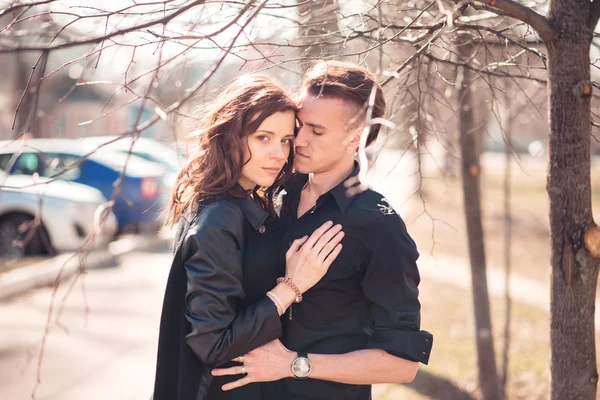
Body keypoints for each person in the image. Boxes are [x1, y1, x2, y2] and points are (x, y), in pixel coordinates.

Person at [212, 61, 433, 399]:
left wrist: (294, 364)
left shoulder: (379, 225)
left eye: (316, 131)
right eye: (299, 126)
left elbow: (401, 363)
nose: (298, 140)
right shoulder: (274, 191)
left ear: (355, 137)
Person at [151, 74, 345, 400]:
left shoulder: (245, 200)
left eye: (285, 140)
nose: (278, 154)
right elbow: (213, 342)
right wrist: (290, 288)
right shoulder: (219, 218)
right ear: (231, 137)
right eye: (263, 137)